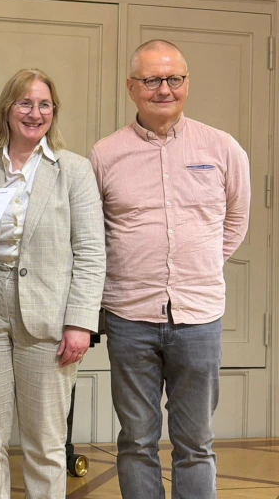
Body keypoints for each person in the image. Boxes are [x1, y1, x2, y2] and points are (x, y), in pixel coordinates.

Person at [89, 40, 250, 499]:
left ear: (187, 83)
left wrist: (199, 264)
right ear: (131, 87)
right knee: (137, 441)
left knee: (195, 443)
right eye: (152, 80)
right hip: (129, 317)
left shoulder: (222, 148)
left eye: (174, 79)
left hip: (199, 317)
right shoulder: (105, 154)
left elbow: (237, 218)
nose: (165, 89)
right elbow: (94, 231)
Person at [0, 68, 106, 498]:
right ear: (7, 110)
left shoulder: (75, 171)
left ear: (54, 112)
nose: (35, 112)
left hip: (49, 316)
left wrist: (81, 322)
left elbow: (90, 252)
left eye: (44, 104)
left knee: (46, 444)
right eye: (25, 103)